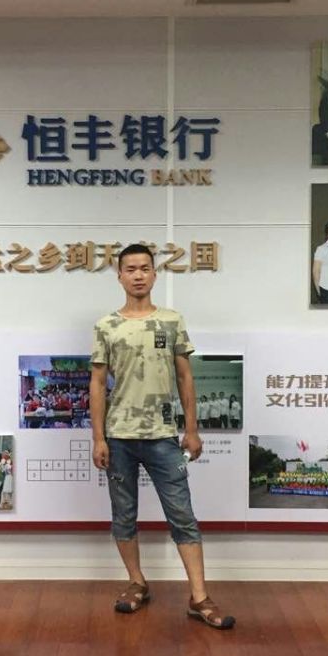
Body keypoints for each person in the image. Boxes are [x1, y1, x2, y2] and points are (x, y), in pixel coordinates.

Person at [90, 243, 234, 630]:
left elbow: (185, 376)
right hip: (119, 437)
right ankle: (137, 582)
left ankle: (199, 597)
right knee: (123, 516)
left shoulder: (171, 321)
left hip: (163, 436)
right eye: (130, 269)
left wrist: (192, 429)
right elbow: (98, 383)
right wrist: (98, 438)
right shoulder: (106, 325)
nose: (138, 275)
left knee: (182, 515)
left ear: (155, 274)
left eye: (144, 268)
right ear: (119, 276)